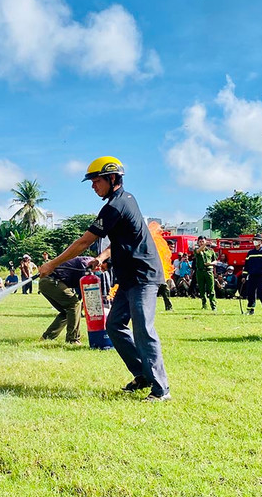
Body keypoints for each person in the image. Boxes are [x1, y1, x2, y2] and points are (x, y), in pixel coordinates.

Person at [38, 156, 170, 402]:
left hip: (143, 277)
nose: (92, 186)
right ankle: (142, 374)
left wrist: (52, 264)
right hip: (128, 277)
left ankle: (161, 389)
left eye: (96, 180)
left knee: (143, 329)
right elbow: (126, 239)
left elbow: (83, 242)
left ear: (112, 178)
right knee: (114, 326)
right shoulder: (123, 201)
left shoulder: (116, 206)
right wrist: (104, 258)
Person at [39, 256, 94, 345]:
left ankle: (47, 337)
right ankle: (73, 339)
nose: (101, 270)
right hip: (51, 281)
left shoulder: (88, 265)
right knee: (74, 305)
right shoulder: (87, 263)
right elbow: (84, 284)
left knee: (67, 311)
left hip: (46, 282)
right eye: (104, 267)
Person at [242, 234, 262, 316]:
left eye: (257, 240)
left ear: (261, 242)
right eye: (254, 240)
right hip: (251, 276)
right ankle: (250, 310)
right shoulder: (250, 253)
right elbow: (246, 265)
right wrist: (244, 276)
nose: (255, 241)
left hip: (261, 277)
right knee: (250, 293)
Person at [193, 236, 218, 310]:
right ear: (198, 242)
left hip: (209, 271)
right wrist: (204, 245)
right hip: (200, 272)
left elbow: (215, 261)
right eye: (200, 241)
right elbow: (198, 251)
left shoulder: (210, 251)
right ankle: (204, 304)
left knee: (211, 289)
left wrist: (210, 264)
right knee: (201, 289)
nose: (201, 243)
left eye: (203, 241)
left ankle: (213, 306)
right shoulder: (196, 250)